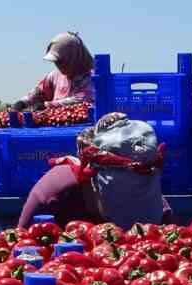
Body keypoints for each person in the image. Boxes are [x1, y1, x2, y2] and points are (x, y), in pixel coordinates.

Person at [18, 113, 172, 229]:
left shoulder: (159, 207)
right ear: (92, 180)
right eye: (120, 205)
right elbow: (24, 253)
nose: (127, 228)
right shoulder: (50, 199)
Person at [13, 32, 95, 112]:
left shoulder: (93, 78)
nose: (57, 65)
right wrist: (22, 102)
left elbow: (82, 100)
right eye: (55, 61)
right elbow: (38, 92)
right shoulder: (55, 76)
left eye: (60, 61)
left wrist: (46, 105)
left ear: (72, 57)